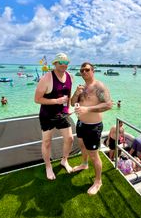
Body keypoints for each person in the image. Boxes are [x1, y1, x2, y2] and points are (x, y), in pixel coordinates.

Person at [70, 62, 112, 195]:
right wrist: (76, 93)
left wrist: (87, 109)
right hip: (81, 123)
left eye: (87, 70)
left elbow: (108, 105)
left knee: (94, 154)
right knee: (82, 146)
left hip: (94, 127)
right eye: (82, 70)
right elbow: (72, 103)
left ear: (93, 71)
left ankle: (98, 181)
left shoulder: (99, 86)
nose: (84, 72)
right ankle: (84, 163)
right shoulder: (82, 87)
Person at [34, 53, 74, 180]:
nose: (63, 65)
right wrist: (56, 101)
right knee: (46, 142)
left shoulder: (70, 77)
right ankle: (48, 166)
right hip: (47, 115)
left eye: (66, 63)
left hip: (62, 114)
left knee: (70, 139)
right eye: (60, 62)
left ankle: (64, 160)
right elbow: (37, 99)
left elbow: (68, 95)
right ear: (55, 63)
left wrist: (68, 109)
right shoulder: (47, 78)